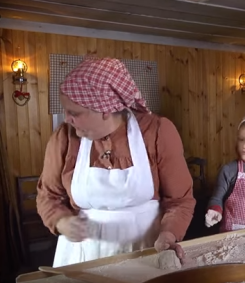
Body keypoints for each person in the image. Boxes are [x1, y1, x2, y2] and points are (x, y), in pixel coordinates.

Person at [36, 57, 196, 267]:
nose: (67, 119)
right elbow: (48, 195)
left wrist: (169, 233)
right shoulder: (65, 138)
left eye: (74, 113)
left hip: (146, 248)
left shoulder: (156, 132)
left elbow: (180, 200)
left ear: (104, 109)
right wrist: (61, 220)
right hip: (83, 255)